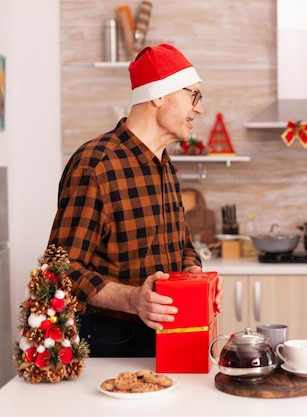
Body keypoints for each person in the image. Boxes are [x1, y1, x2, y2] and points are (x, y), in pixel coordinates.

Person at [48, 44, 223, 357]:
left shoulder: (164, 163)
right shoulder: (95, 164)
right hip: (113, 338)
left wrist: (196, 279)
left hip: (172, 330)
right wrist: (131, 299)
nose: (199, 109)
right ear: (158, 96)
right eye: (193, 95)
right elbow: (61, 268)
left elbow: (183, 247)